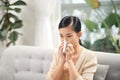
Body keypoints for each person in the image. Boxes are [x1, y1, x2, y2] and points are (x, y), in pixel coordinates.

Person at [46, 16, 97, 80]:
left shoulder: (90, 56)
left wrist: (69, 61)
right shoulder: (58, 54)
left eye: (69, 36)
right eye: (61, 36)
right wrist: (62, 61)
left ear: (79, 35)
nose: (64, 40)